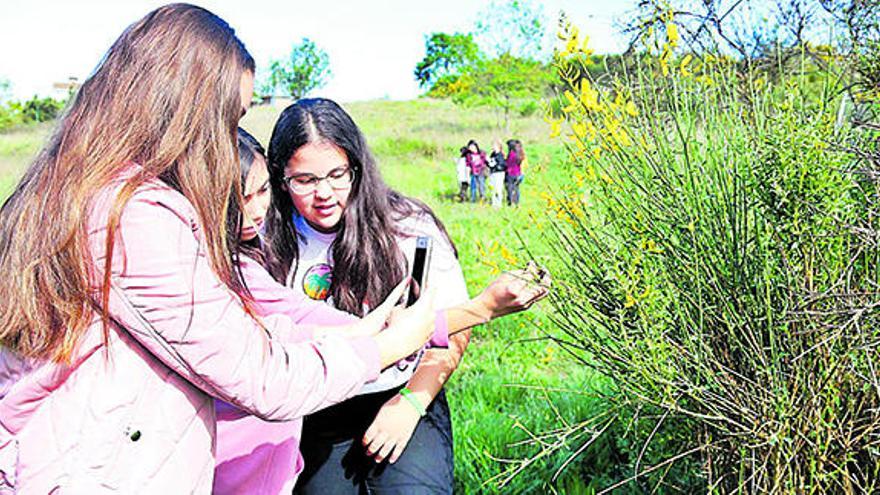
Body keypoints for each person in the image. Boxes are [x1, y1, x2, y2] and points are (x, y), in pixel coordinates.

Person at [0, 6, 439, 493]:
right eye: (229, 118)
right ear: (186, 111)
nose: (230, 140)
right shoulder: (133, 214)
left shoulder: (75, 188)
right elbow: (262, 376)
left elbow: (241, 328)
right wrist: (389, 345)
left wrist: (363, 331)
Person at [213, 128, 550, 494]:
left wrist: (409, 404)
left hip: (402, 392)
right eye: (304, 180)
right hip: (315, 405)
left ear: (357, 167)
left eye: (336, 175)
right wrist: (483, 307)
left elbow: (406, 334)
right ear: (283, 178)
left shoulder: (407, 225)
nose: (323, 192)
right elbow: (332, 334)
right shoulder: (256, 244)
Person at [488, 139, 507, 208]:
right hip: (492, 173)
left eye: (494, 145)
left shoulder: (501, 155)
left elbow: (502, 165)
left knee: (498, 188)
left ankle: (499, 203)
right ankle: (494, 202)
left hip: (499, 174)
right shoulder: (493, 154)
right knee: (492, 188)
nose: (492, 147)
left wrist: (495, 164)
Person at [505, 139, 525, 206]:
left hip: (511, 173)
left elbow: (508, 164)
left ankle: (510, 202)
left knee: (510, 188)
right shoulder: (519, 154)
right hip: (518, 173)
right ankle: (516, 202)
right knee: (516, 188)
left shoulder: (511, 154)